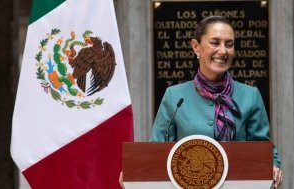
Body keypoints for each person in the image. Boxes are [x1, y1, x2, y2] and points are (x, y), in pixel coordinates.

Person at [120, 15, 283, 188]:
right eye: (215, 42)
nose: (223, 51)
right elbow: (157, 152)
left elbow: (263, 149)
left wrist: (273, 166)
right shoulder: (174, 96)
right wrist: (135, 174)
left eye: (229, 44)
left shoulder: (250, 95)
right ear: (195, 46)